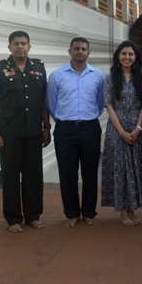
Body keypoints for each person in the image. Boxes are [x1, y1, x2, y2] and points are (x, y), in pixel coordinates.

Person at [0, 31, 50, 233]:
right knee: (11, 177)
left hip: (33, 132)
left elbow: (43, 101)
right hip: (8, 133)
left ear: (29, 47)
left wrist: (46, 127)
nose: (20, 46)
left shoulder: (38, 68)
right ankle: (13, 219)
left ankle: (33, 216)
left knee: (34, 176)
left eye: (23, 43)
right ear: (9, 47)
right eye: (16, 43)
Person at [46, 37, 104, 227]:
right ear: (69, 51)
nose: (80, 51)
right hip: (65, 130)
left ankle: (88, 212)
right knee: (67, 173)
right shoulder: (57, 75)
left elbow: (100, 102)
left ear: (88, 53)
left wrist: (87, 118)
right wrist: (63, 120)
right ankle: (71, 213)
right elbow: (51, 103)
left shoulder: (97, 76)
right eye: (77, 48)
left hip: (90, 128)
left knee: (90, 172)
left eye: (84, 49)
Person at [101, 41, 142, 226]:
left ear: (135, 57)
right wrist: (122, 132)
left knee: (135, 169)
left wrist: (138, 129)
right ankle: (123, 212)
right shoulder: (109, 79)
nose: (127, 57)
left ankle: (132, 209)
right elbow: (108, 106)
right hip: (117, 131)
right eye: (124, 53)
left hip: (136, 130)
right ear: (118, 56)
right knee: (120, 171)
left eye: (131, 54)